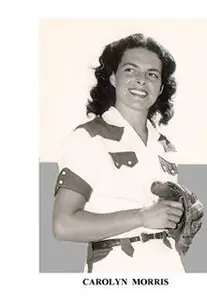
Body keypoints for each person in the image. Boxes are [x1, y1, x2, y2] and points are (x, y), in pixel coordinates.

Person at [53, 33, 186, 272]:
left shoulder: (165, 147)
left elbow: (162, 217)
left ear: (161, 87)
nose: (141, 80)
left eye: (152, 75)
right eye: (130, 70)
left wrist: (181, 216)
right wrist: (141, 217)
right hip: (116, 272)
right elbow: (63, 225)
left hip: (170, 270)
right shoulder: (87, 138)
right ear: (113, 77)